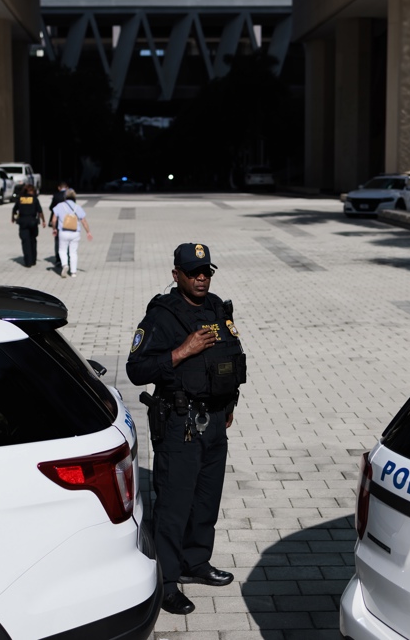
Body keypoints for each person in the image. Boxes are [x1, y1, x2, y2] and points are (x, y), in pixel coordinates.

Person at [126, 243, 246, 615]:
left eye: (206, 272)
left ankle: (196, 562)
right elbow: (136, 370)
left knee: (206, 500)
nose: (201, 278)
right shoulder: (162, 316)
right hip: (180, 424)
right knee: (175, 505)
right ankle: (166, 579)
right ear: (176, 274)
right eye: (193, 272)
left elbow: (231, 358)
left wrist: (229, 403)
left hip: (214, 423)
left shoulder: (216, 308)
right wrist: (181, 351)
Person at [49, 188, 91, 278]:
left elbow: (53, 219)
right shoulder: (77, 207)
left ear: (65, 196)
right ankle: (73, 272)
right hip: (75, 233)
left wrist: (54, 229)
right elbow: (84, 221)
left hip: (63, 232)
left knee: (62, 250)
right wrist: (88, 232)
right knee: (73, 252)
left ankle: (64, 264)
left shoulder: (59, 206)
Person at [11, 184, 45, 268]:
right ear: (31, 191)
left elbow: (14, 209)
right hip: (33, 222)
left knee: (25, 242)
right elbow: (40, 211)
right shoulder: (34, 199)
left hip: (23, 222)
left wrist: (13, 218)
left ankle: (28, 262)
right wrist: (43, 221)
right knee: (33, 240)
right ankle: (33, 260)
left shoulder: (20, 199)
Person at [49, 181, 70, 268]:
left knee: (58, 241)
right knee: (68, 240)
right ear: (67, 187)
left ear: (59, 188)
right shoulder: (70, 195)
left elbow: (51, 208)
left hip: (58, 221)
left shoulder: (56, 195)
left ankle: (58, 260)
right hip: (69, 220)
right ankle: (67, 259)